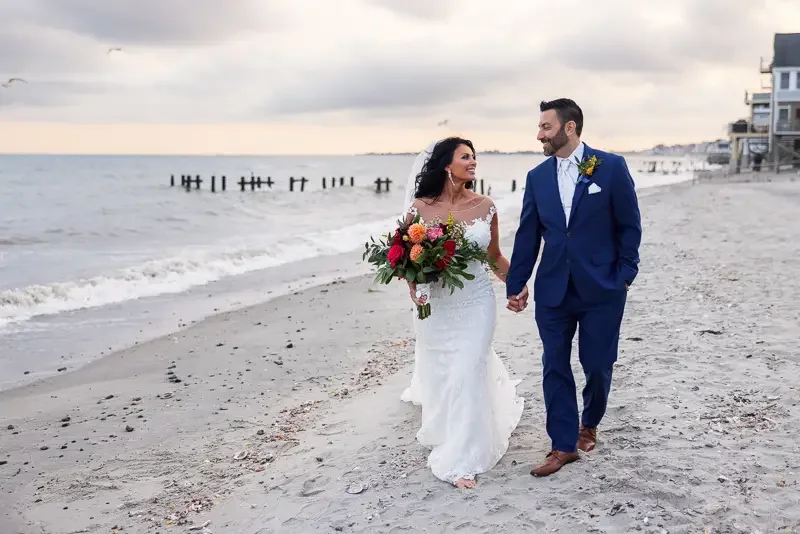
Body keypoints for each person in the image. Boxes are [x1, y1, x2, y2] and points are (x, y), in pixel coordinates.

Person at [506, 99, 642, 477]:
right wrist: (517, 284)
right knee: (554, 364)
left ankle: (589, 423)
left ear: (569, 128)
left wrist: (626, 274)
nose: (539, 135)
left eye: (545, 127)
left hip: (602, 288)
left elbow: (629, 225)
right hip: (553, 289)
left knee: (597, 365)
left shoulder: (611, 167)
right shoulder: (537, 177)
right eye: (539, 127)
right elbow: (529, 234)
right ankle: (562, 445)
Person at [400, 137, 524, 489]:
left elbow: (495, 257)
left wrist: (515, 285)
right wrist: (413, 286)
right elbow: (407, 258)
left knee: (469, 368)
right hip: (437, 304)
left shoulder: (485, 206)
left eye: (474, 157)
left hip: (476, 302)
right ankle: (448, 428)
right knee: (445, 373)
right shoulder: (420, 209)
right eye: (465, 157)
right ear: (445, 165)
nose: (473, 162)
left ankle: (462, 458)